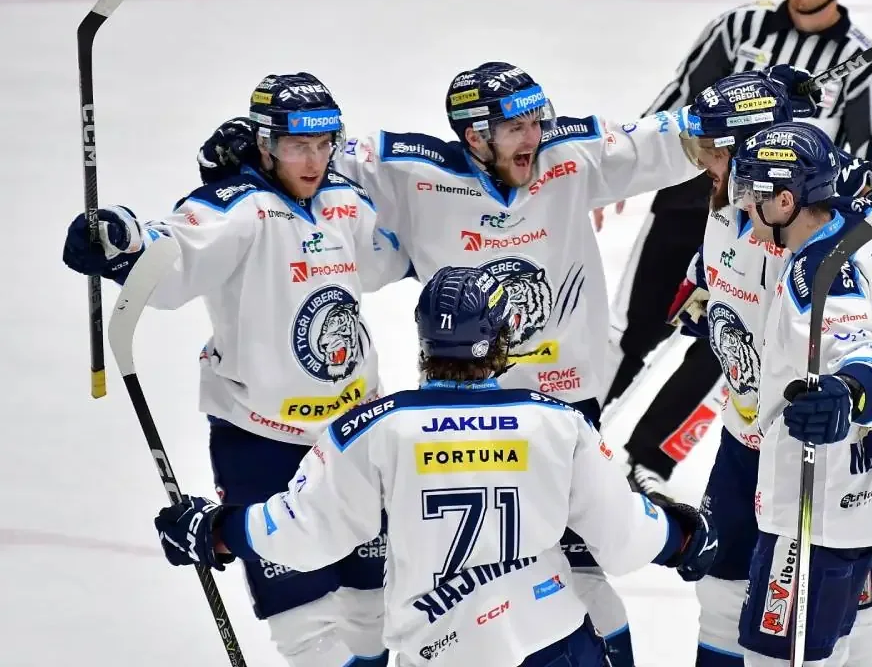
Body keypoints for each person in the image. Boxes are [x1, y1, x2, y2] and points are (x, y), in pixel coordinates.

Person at [194, 60, 706, 664]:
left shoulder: (384, 429)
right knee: (562, 594)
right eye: (516, 128)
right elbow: (309, 158)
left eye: (537, 122)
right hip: (521, 424)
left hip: (506, 445)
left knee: (481, 600)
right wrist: (681, 536)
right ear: (474, 135)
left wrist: (218, 532)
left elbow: (676, 139)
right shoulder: (415, 172)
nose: (535, 138)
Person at [152, 265, 719, 667]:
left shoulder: (372, 428)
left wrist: (218, 532)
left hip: (443, 651)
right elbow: (623, 536)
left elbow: (305, 535)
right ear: (501, 338)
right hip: (552, 641)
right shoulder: (558, 422)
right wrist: (684, 536)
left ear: (425, 340)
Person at [62, 73, 411, 667]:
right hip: (263, 443)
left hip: (357, 437)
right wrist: (121, 239)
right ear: (266, 143)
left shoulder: (345, 202)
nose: (315, 159)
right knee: (307, 628)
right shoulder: (238, 208)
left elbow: (389, 257)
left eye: (325, 144)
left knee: (373, 615)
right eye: (299, 145)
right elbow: (175, 259)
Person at [597, 0, 872, 500]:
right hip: (692, 203)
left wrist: (828, 174)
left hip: (777, 228)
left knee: (728, 346)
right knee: (640, 330)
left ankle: (648, 463)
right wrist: (618, 173)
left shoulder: (864, 72)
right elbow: (675, 106)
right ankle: (576, 432)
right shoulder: (740, 29)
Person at [663, 73, 872, 667]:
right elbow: (724, 267)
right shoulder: (732, 204)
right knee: (719, 590)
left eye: (715, 149)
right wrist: (705, 292)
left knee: (837, 620)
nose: (704, 163)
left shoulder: (839, 219)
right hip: (745, 439)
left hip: (818, 455)